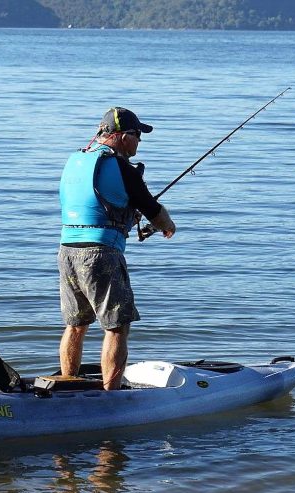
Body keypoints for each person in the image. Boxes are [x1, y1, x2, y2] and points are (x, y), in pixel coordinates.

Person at [57, 107, 176, 390]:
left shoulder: (75, 161)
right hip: (102, 255)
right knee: (116, 327)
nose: (139, 142)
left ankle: (68, 383)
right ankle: (111, 398)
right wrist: (168, 226)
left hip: (67, 250)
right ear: (122, 136)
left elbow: (92, 204)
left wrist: (123, 216)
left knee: (76, 324)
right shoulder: (122, 168)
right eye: (136, 135)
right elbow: (155, 213)